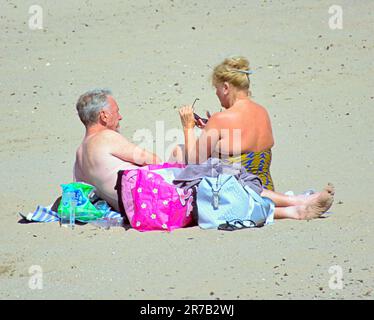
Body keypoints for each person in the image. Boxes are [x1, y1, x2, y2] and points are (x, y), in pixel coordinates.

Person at [170, 56, 335, 220]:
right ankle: (297, 202)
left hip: (236, 193)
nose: (217, 94)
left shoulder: (221, 119)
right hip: (266, 186)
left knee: (180, 151)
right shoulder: (262, 112)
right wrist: (211, 130)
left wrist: (188, 127)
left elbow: (193, 162)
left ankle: (173, 202)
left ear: (226, 87)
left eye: (217, 89)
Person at [74, 89, 161, 211]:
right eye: (116, 112)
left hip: (123, 209)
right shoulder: (105, 137)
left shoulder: (80, 153)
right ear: (104, 116)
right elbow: (154, 161)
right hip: (146, 202)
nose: (120, 117)